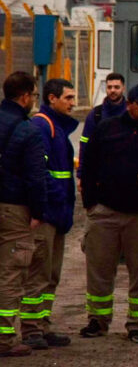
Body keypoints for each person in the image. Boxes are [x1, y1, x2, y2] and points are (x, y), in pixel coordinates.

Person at [80, 82, 138, 341]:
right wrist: (91, 204)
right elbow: (88, 165)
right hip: (106, 213)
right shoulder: (107, 128)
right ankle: (98, 321)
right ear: (130, 105)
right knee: (99, 271)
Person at [20, 79, 78, 350]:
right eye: (68, 97)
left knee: (51, 275)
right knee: (38, 274)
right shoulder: (43, 126)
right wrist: (53, 200)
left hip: (58, 213)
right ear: (52, 98)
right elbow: (40, 172)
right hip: (47, 214)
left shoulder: (57, 127)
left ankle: (42, 325)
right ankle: (31, 327)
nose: (72, 103)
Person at [0, 72, 46, 358]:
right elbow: (35, 177)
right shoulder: (28, 130)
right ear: (26, 96)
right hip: (14, 210)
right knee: (10, 275)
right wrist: (38, 212)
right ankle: (4, 339)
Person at [78, 73, 126, 183]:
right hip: (100, 176)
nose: (112, 90)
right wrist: (81, 174)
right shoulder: (96, 114)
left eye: (116, 87)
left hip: (125, 177)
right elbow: (84, 144)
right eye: (109, 87)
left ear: (123, 88)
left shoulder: (131, 112)